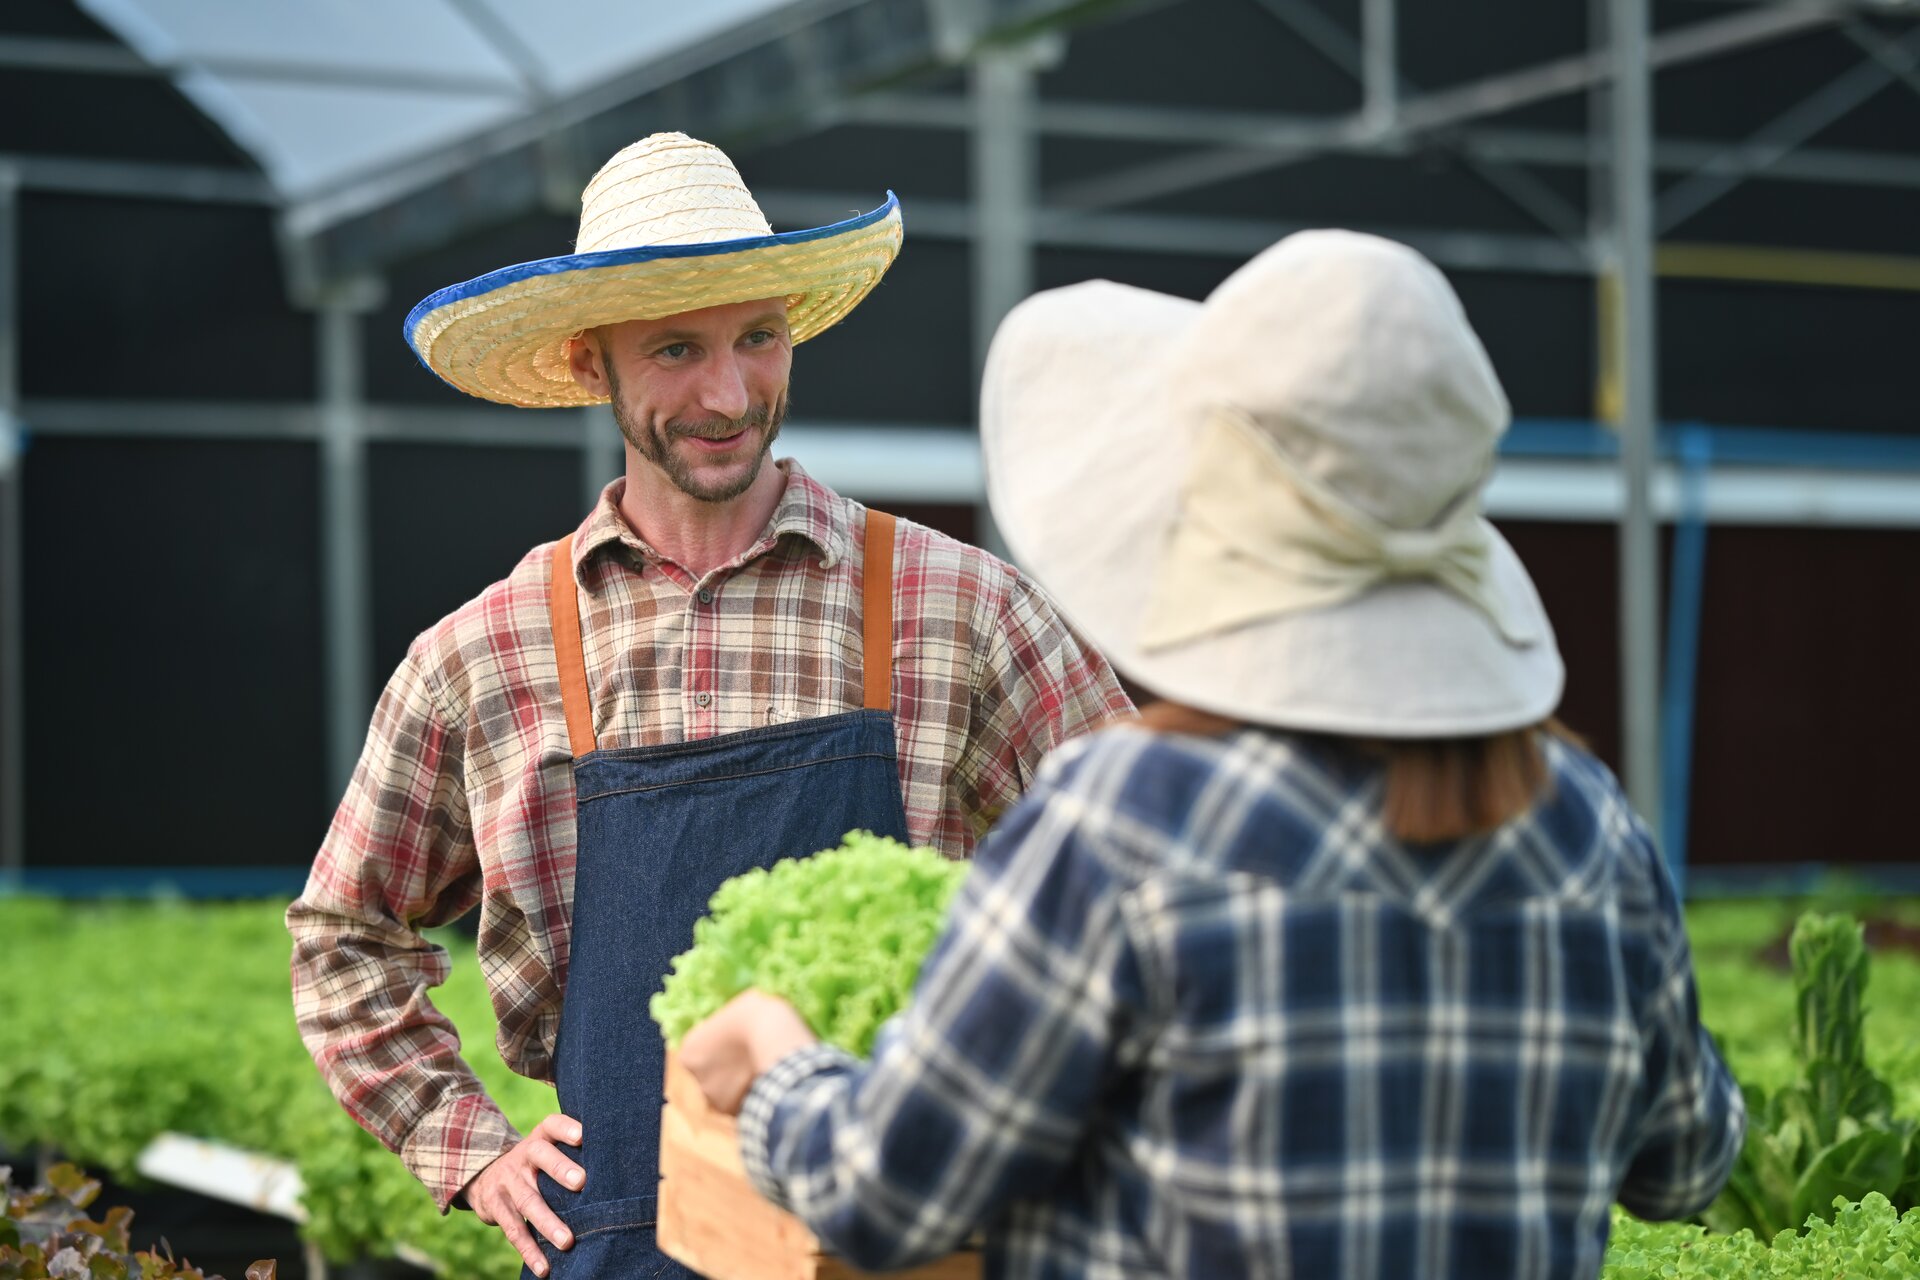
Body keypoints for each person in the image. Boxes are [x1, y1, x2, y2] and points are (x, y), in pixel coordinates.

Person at [680, 230, 1747, 1279]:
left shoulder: (1129, 819)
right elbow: (1687, 1164)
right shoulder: (1587, 821)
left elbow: (890, 1194)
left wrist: (782, 1052)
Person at [285, 132, 1131, 1280]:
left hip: (912, 1236)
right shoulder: (487, 654)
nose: (728, 394)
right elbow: (344, 937)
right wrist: (469, 1146)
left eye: (758, 337)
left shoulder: (955, 604)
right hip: (618, 1236)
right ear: (592, 365)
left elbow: (1147, 871)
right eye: (677, 348)